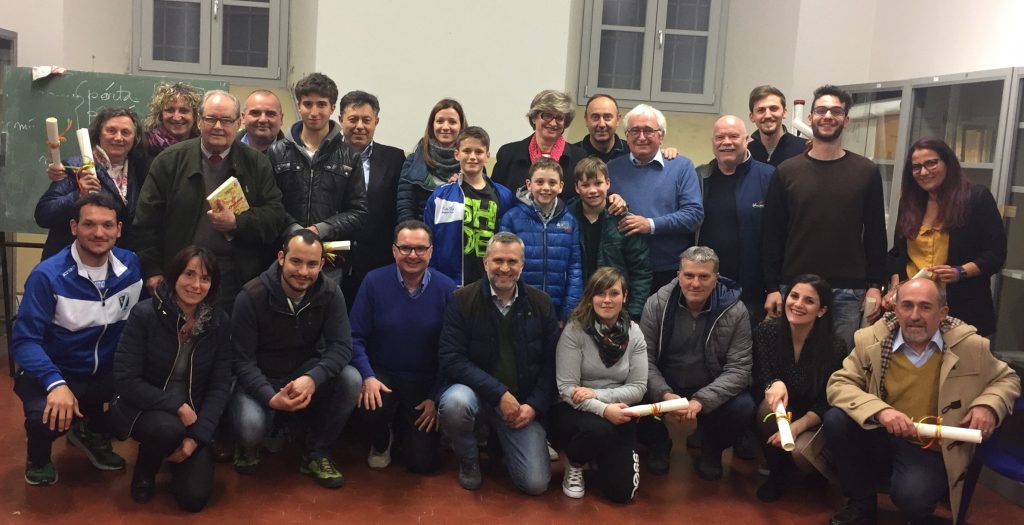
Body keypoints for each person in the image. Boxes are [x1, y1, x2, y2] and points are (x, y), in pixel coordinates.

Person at [823, 278, 1020, 525]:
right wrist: (881, 411)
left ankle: (916, 499)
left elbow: (1007, 379)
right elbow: (838, 384)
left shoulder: (970, 345)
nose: (915, 315)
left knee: (914, 500)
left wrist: (988, 404)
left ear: (942, 312)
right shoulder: (871, 340)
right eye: (907, 306)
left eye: (925, 307)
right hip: (881, 433)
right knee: (836, 420)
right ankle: (861, 503)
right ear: (896, 309)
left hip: (928, 446)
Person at [11, 193, 143, 486]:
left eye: (108, 225)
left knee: (140, 410)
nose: (99, 233)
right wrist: (55, 383)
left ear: (119, 230)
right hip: (57, 371)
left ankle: (92, 432)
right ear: (74, 227)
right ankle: (40, 454)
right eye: (89, 224)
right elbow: (24, 340)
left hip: (105, 372)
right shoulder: (47, 276)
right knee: (44, 416)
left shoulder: (131, 266)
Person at [132, 89, 287, 311]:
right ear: (198, 121)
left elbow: (274, 216)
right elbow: (146, 222)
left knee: (224, 341)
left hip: (234, 276)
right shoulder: (170, 161)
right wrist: (152, 270)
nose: (217, 126)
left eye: (226, 120)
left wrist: (237, 223)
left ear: (238, 122)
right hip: (179, 272)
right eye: (211, 119)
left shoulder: (256, 163)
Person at [231, 230, 362, 488]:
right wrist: (269, 396)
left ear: (322, 265)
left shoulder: (330, 293)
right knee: (250, 428)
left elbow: (342, 347)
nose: (303, 271)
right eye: (296, 261)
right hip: (259, 378)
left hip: (303, 375)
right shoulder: (251, 296)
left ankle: (317, 453)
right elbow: (241, 361)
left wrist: (312, 379)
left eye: (312, 264)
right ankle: (250, 445)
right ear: (281, 258)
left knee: (351, 379)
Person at [762, 84, 888, 349]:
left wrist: (875, 285)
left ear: (846, 119)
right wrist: (772, 287)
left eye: (836, 111)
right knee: (792, 360)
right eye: (821, 110)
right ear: (810, 118)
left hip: (848, 292)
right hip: (795, 289)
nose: (828, 116)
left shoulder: (866, 171)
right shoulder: (786, 172)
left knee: (840, 368)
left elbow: (876, 233)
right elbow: (771, 235)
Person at [437, 232, 560, 494]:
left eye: (512, 262)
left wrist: (535, 407)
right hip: (478, 397)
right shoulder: (462, 300)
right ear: (485, 262)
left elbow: (552, 363)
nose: (505, 268)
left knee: (535, 484)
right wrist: (499, 393)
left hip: (521, 405)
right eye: (498, 261)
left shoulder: (542, 303)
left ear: (522, 265)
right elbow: (451, 359)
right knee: (455, 403)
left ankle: (500, 443)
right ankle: (469, 461)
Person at [111, 246, 232, 512]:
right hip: (145, 408)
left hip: (193, 417)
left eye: (205, 278)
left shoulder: (218, 323)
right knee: (167, 429)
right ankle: (146, 467)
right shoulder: (145, 314)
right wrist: (175, 405)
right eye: (189, 274)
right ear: (174, 276)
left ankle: (177, 450)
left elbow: (220, 385)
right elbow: (125, 378)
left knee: (194, 499)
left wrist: (197, 439)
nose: (196, 285)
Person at [638, 246, 753, 480]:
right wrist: (664, 395)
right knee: (630, 391)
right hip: (666, 384)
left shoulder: (736, 311)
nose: (695, 283)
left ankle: (711, 448)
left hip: (709, 387)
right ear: (679, 276)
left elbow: (739, 369)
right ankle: (658, 443)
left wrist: (702, 400)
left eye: (704, 276)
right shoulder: (656, 304)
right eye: (689, 275)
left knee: (743, 407)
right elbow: (643, 360)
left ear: (716, 279)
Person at [350, 220, 457, 473]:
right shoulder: (373, 282)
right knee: (369, 403)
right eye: (406, 248)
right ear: (394, 250)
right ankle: (381, 440)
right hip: (382, 377)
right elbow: (354, 336)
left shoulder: (447, 289)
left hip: (424, 383)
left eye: (420, 249)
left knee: (423, 465)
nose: (413, 255)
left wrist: (436, 396)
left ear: (431, 251)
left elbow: (453, 350)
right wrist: (367, 376)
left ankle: (405, 428)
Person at [884, 138, 1006, 336]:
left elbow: (995, 255)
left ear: (947, 163)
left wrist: (960, 272)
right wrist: (896, 288)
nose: (923, 172)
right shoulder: (909, 202)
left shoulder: (976, 198)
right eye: (916, 167)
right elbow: (898, 253)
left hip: (962, 307)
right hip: (913, 310)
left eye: (931, 163)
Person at [553, 267, 647, 502]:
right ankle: (575, 461)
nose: (607, 300)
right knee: (600, 430)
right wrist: (605, 410)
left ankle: (598, 457)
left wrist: (597, 394)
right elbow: (566, 389)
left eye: (614, 293)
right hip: (575, 410)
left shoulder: (635, 333)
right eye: (600, 293)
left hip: (619, 410)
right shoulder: (574, 331)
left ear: (624, 297)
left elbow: (638, 388)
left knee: (623, 493)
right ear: (590, 297)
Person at [752, 274, 846, 502]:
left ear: (821, 310)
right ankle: (778, 474)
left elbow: (829, 401)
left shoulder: (835, 346)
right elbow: (760, 379)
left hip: (815, 419)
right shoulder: (766, 332)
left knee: (800, 452)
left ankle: (813, 474)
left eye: (809, 301)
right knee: (767, 408)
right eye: (794, 296)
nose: (798, 304)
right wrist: (774, 383)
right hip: (782, 410)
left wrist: (796, 428)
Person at [268, 73, 368, 284]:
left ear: (332, 108)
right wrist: (295, 230)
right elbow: (270, 204)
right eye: (308, 104)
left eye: (321, 104)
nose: (314, 112)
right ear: (299, 106)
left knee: (324, 312)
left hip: (331, 256)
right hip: (284, 250)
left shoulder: (350, 156)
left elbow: (358, 212)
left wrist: (319, 230)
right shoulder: (276, 152)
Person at [607, 104, 704, 292]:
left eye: (648, 130)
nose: (641, 137)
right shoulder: (611, 169)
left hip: (670, 271)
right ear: (626, 136)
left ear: (661, 136)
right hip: (624, 271)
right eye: (634, 130)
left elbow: (694, 215)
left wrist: (650, 225)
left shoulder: (681, 167)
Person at [37, 107, 150, 260]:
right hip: (69, 266)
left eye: (125, 132)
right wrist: (78, 195)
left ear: (134, 137)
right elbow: (44, 215)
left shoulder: (139, 170)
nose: (118, 138)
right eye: (111, 131)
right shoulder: (76, 166)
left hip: (115, 265)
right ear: (99, 134)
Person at [695, 115, 775, 325]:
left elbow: (779, 236)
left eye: (733, 136)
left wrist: (775, 288)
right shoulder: (700, 177)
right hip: (706, 291)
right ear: (713, 142)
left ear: (746, 139)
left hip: (753, 295)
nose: (726, 142)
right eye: (720, 137)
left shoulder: (770, 177)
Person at [337, 90, 406, 304]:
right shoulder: (326, 156)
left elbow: (398, 207)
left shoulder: (394, 158)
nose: (360, 126)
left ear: (376, 121)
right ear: (340, 120)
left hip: (379, 260)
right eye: (353, 119)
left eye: (366, 120)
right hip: (334, 257)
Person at [424, 126, 515, 286]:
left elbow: (510, 241)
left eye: (478, 152)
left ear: (487, 155)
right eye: (466, 151)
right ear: (457, 154)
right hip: (450, 283)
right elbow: (428, 241)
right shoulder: (440, 196)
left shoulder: (504, 195)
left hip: (490, 285)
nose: (472, 157)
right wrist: (433, 278)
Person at [499, 157, 583, 321]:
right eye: (539, 182)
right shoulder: (511, 218)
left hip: (556, 310)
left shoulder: (570, 221)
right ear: (529, 185)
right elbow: (504, 265)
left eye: (552, 183)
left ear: (561, 186)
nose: (546, 188)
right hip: (518, 308)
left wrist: (568, 312)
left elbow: (575, 268)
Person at [569, 157, 651, 319]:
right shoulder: (567, 218)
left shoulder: (623, 220)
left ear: (607, 183)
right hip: (577, 307)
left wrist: (633, 312)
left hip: (615, 308)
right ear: (577, 188)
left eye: (598, 183)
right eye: (585, 185)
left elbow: (641, 271)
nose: (592, 190)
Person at [492, 89, 587, 201]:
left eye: (559, 118)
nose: (553, 123)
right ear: (533, 118)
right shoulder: (508, 154)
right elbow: (495, 198)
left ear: (565, 123)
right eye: (547, 115)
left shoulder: (579, 158)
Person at [397, 99, 466, 222]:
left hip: (458, 235)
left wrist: (464, 187)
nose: (445, 127)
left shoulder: (471, 164)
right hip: (421, 235)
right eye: (440, 121)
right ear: (432, 125)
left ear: (461, 126)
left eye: (452, 122)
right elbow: (405, 207)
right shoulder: (413, 162)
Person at [573, 93, 680, 164]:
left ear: (618, 120)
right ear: (586, 120)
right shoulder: (572, 155)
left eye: (607, 117)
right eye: (595, 117)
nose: (601, 124)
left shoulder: (633, 150)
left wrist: (664, 154)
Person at [746, 85, 807, 167]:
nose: (767, 115)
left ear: (784, 113)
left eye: (773, 108)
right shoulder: (746, 153)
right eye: (761, 110)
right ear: (752, 117)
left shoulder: (805, 150)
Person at [143, 81, 202, 157]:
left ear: (194, 116)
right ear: (161, 115)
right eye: (170, 110)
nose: (176, 117)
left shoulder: (204, 149)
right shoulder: (144, 147)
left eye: (184, 111)